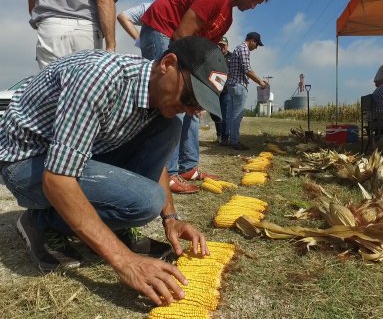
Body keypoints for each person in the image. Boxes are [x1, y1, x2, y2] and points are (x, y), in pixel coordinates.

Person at [0, 36, 228, 306]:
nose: (192, 110)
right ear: (167, 63)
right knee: (147, 201)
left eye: (199, 106)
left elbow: (154, 161)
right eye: (191, 97)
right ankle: (40, 221)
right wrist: (124, 261)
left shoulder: (156, 95)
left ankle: (114, 225)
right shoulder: (99, 79)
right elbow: (58, 179)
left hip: (72, 154)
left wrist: (171, 218)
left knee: (169, 129)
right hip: (26, 162)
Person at [139, 0, 272, 193]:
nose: (253, 5)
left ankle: (188, 166)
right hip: (163, 30)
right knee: (176, 101)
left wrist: (201, 94)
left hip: (180, 41)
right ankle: (168, 172)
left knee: (192, 106)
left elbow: (204, 54)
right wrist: (183, 85)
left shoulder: (227, 18)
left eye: (258, 4)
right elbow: (182, 35)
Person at [25, 0, 119, 69]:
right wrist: (110, 46)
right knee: (85, 86)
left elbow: (33, 4)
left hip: (51, 28)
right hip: (86, 28)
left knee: (51, 88)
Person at [226, 32, 269, 150]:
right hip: (239, 85)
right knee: (237, 115)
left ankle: (229, 139)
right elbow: (247, 70)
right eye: (257, 45)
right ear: (252, 41)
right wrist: (260, 82)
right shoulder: (244, 49)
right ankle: (235, 142)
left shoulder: (237, 48)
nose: (256, 48)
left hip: (232, 85)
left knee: (230, 114)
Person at [212, 36, 233, 144]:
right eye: (219, 45)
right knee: (214, 113)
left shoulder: (232, 57)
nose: (221, 47)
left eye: (223, 45)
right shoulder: (214, 56)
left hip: (226, 91)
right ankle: (219, 133)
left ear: (227, 46)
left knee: (225, 115)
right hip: (215, 90)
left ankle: (224, 138)